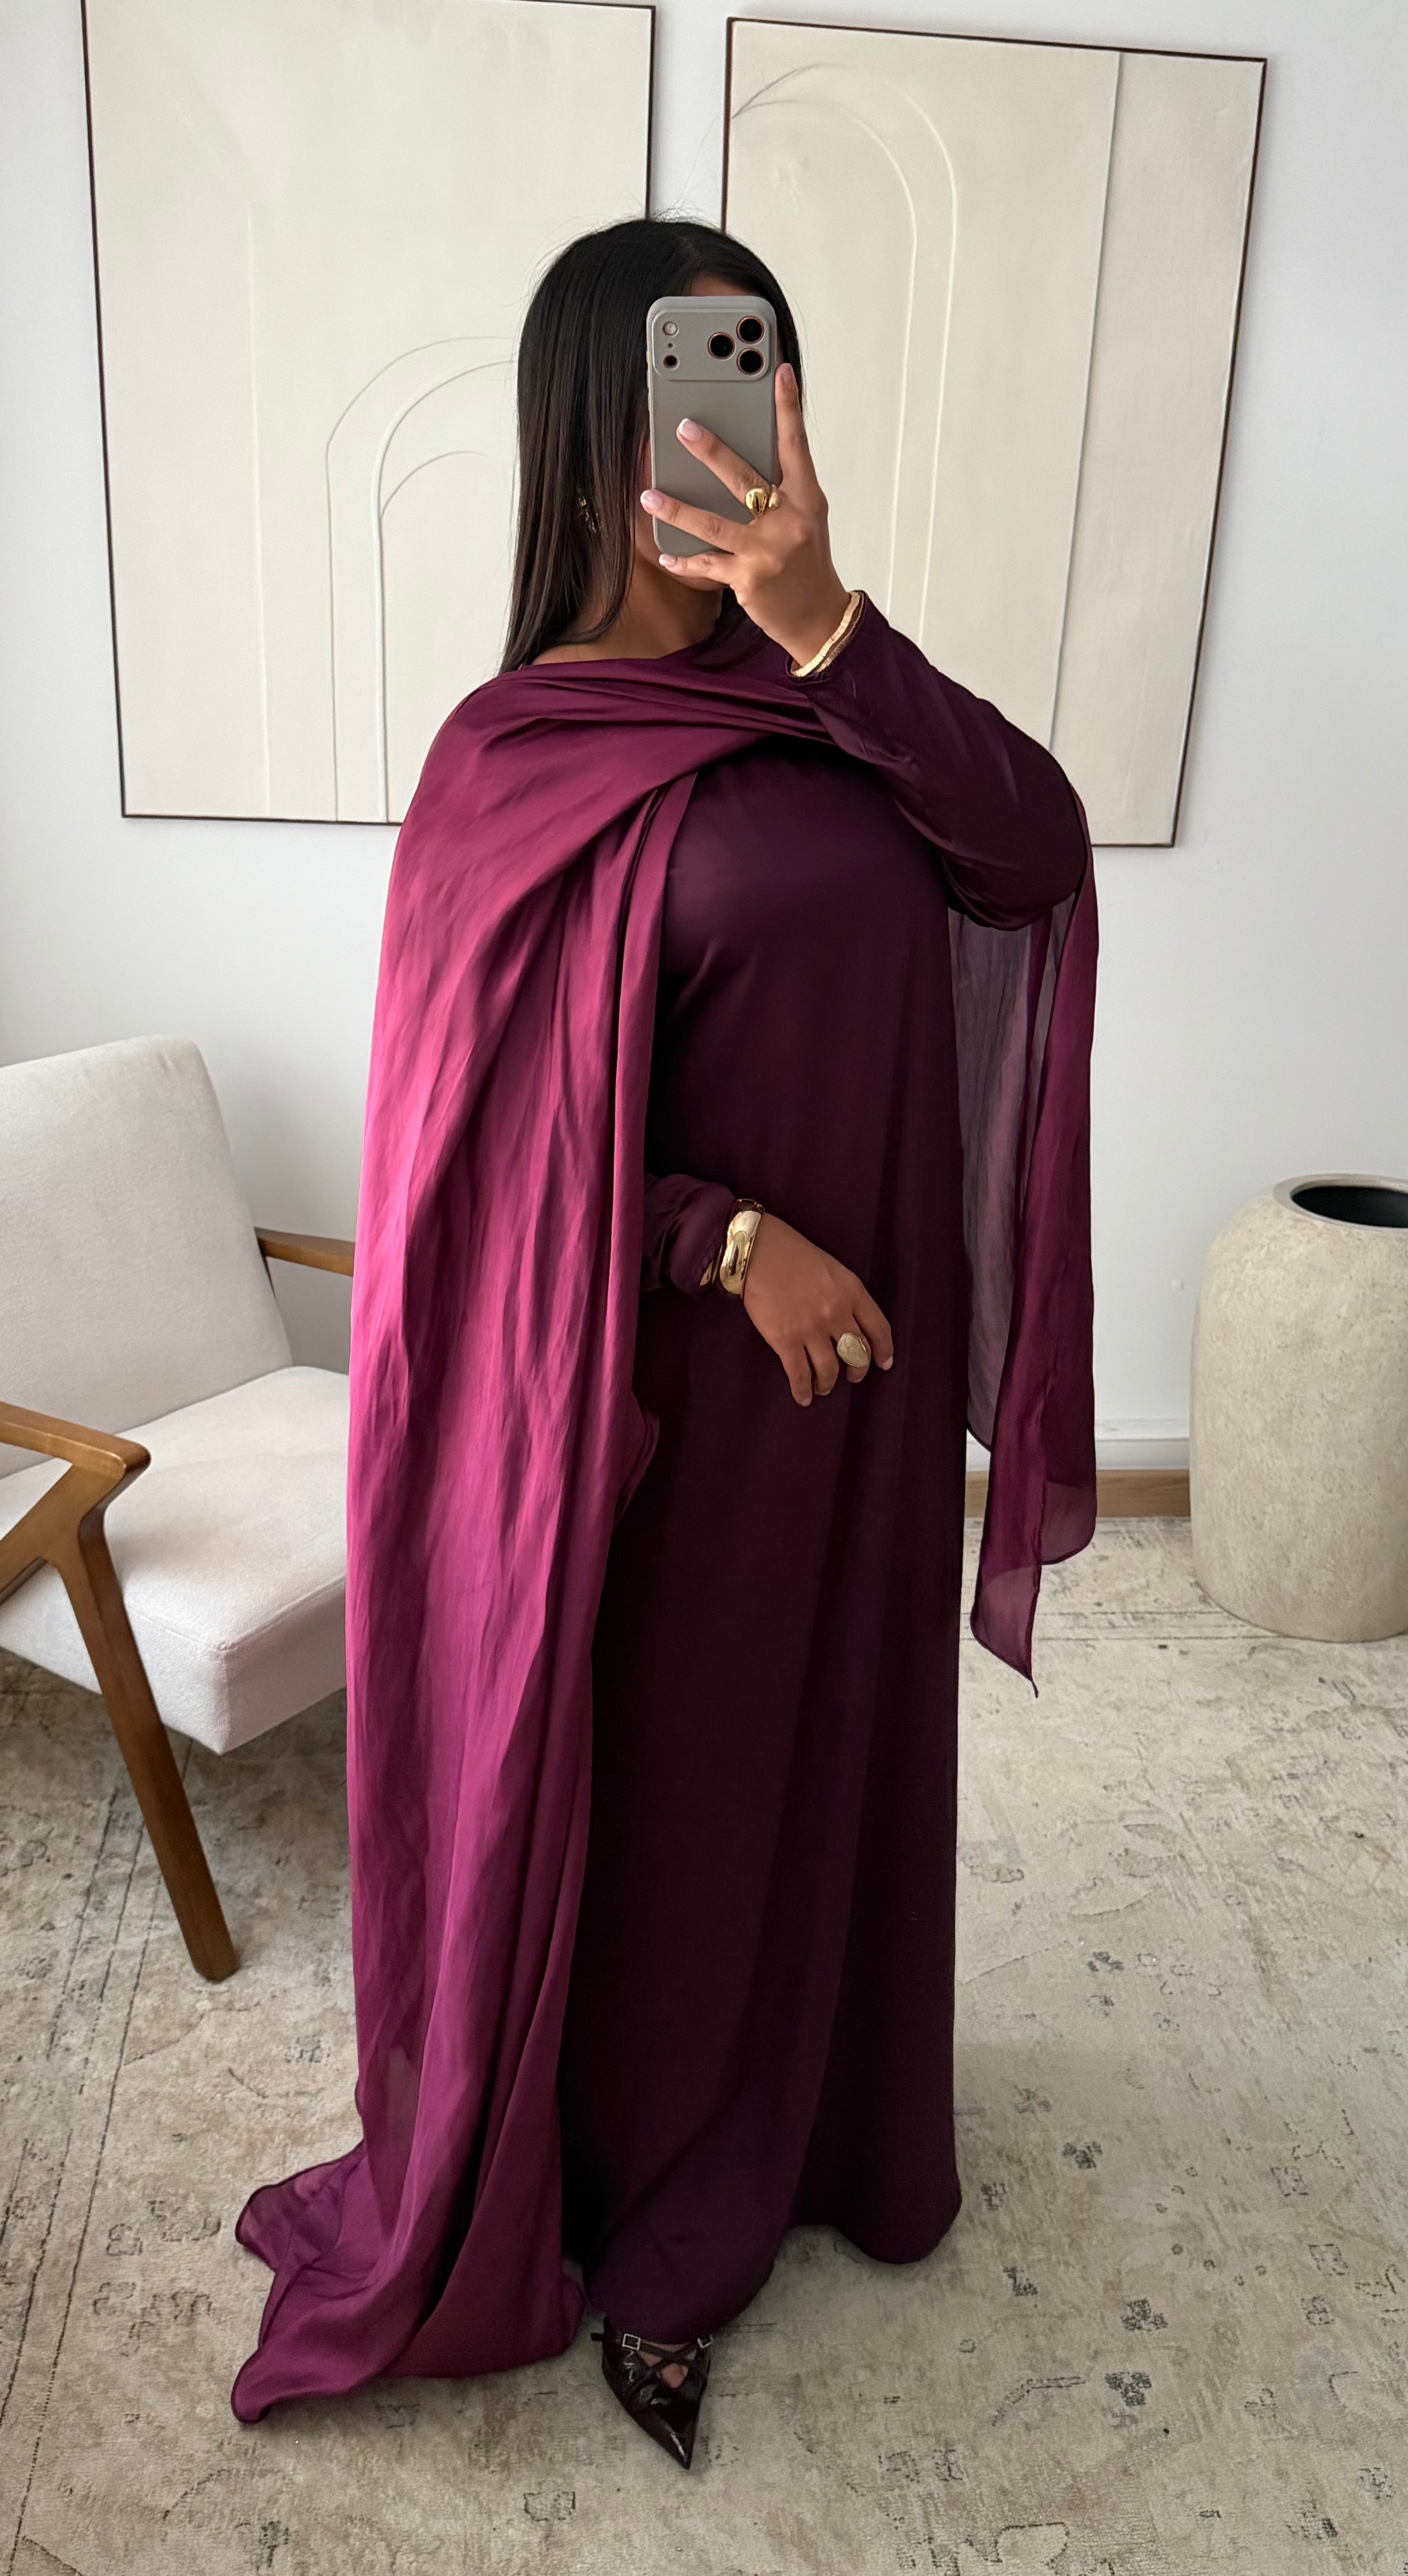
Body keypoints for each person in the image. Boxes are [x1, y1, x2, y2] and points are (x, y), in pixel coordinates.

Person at [231, 218, 1098, 2471]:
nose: (749, 432)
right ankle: (640, 2197)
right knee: (681, 1797)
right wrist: (725, 1244)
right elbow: (467, 1164)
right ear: (596, 430)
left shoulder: (846, 707)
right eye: (709, 386)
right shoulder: (508, 759)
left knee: (828, 1770)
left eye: (771, 382)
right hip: (651, 1410)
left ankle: (808, 2135)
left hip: (860, 1413)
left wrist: (832, 626)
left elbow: (1034, 855)